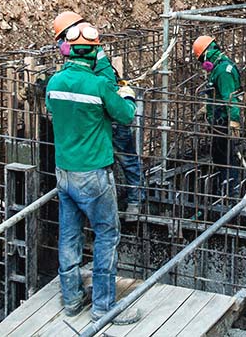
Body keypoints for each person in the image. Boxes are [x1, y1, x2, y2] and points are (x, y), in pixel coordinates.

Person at [45, 22, 140, 324]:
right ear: (96, 51)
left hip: (64, 173)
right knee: (106, 236)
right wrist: (126, 94)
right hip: (94, 176)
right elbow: (125, 116)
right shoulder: (100, 86)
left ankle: (72, 299)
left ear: (68, 51)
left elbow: (55, 110)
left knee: (69, 237)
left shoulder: (55, 83)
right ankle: (103, 307)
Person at [53, 11, 146, 220]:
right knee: (122, 159)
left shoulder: (87, 51)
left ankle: (135, 200)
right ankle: (131, 200)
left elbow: (86, 83)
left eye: (61, 40)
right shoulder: (90, 46)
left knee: (125, 157)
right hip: (100, 108)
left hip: (108, 110)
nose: (60, 46)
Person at [192, 35, 242, 198]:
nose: (202, 65)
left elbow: (230, 98)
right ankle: (226, 188)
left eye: (201, 60)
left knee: (225, 157)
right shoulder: (219, 67)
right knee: (220, 155)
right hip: (218, 118)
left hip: (224, 122)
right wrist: (207, 107)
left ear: (206, 54)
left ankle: (231, 192)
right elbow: (218, 95)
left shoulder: (222, 71)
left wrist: (234, 122)